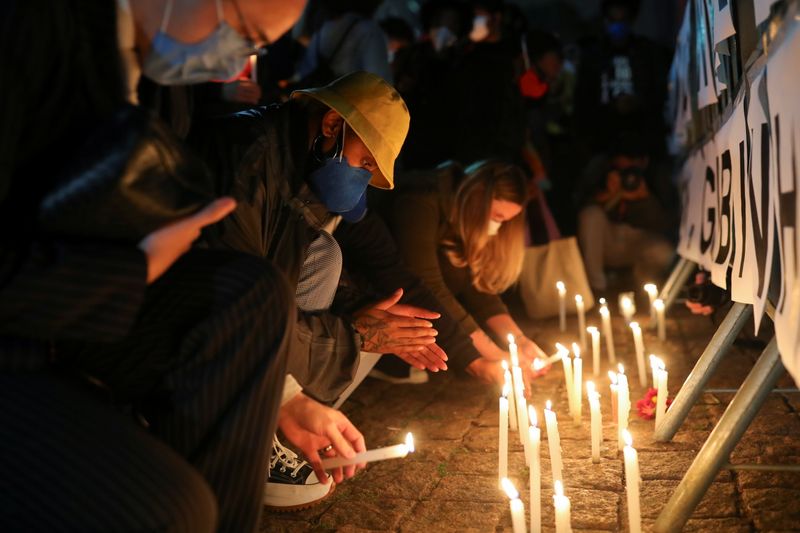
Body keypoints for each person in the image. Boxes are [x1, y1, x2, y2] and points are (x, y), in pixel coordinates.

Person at [1, 1, 365, 531]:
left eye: (256, 45)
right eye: (241, 30)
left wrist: (287, 401)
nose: (240, 56)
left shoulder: (157, 80)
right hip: (27, 323)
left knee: (257, 296)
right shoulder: (31, 30)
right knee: (176, 508)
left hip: (83, 298)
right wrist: (135, 268)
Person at [189, 71, 447, 508]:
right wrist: (354, 335)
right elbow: (229, 296)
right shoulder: (245, 159)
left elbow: (290, 275)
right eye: (366, 163)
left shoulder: (296, 166)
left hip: (243, 318)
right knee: (335, 283)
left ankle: (281, 420)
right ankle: (246, 431)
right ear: (331, 126)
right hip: (187, 331)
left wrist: (364, 315)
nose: (363, 180)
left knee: (328, 257)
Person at [391, 161, 548, 385]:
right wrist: (496, 356)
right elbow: (428, 286)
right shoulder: (419, 201)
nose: (497, 228)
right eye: (496, 217)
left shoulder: (462, 216)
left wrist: (520, 342)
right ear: (477, 198)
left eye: (505, 221)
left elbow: (476, 286)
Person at [574, 133, 676, 294]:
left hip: (639, 241)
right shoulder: (601, 174)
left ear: (643, 162)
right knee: (591, 214)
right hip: (608, 241)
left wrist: (644, 198)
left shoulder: (656, 177)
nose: (627, 176)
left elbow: (665, 224)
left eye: (630, 169)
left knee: (664, 252)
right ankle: (597, 289)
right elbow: (580, 209)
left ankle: (645, 290)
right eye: (620, 170)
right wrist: (607, 195)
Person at [295, 0, 392, 85]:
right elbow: (379, 84)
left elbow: (306, 67)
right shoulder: (370, 31)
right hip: (338, 102)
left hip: (310, 94)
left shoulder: (325, 22)